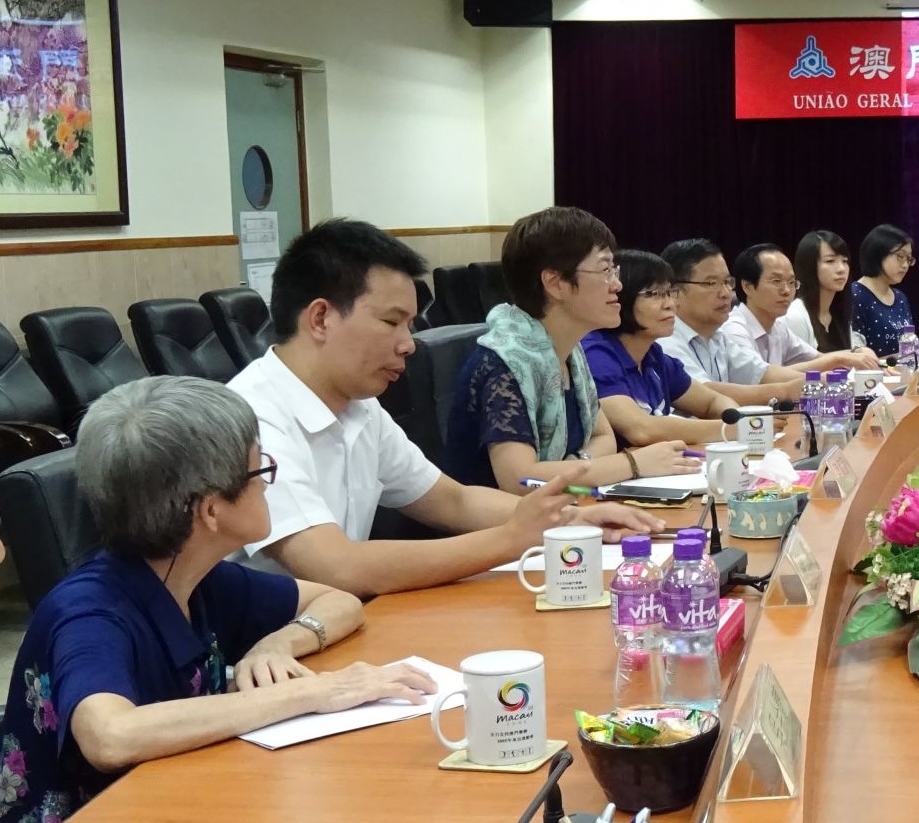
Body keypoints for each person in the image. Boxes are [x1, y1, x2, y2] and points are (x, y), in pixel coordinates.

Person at [0, 377, 439, 822]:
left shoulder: (198, 577)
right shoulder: (88, 612)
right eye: (259, 470)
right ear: (210, 510)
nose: (269, 483)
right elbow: (111, 736)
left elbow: (338, 601)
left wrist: (278, 644)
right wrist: (312, 691)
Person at [230, 219, 664, 597]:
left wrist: (572, 518)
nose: (408, 344)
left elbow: (453, 501)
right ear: (321, 318)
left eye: (410, 324)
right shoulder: (252, 417)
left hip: (339, 621)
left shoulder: (359, 407)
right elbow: (338, 567)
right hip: (265, 647)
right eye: (391, 322)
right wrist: (512, 538)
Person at [441, 207, 702, 489]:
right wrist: (632, 464)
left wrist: (573, 467)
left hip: (568, 503)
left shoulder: (571, 352)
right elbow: (521, 480)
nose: (617, 284)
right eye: (605, 270)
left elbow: (604, 438)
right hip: (506, 515)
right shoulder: (505, 364)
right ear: (556, 283)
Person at [582, 249, 742, 447]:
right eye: (654, 294)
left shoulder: (653, 354)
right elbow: (642, 430)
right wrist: (734, 429)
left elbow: (713, 402)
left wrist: (734, 418)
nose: (670, 305)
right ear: (620, 297)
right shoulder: (596, 353)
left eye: (669, 293)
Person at [658, 239, 804, 404]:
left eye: (727, 282)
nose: (726, 293)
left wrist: (819, 380)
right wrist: (786, 391)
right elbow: (704, 394)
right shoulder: (665, 341)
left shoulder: (717, 336)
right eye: (711, 283)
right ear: (674, 292)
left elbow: (761, 374)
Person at [721, 244, 877, 372]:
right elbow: (762, 377)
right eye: (776, 281)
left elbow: (817, 358)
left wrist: (857, 354)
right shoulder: (735, 330)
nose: (786, 291)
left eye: (791, 283)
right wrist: (840, 359)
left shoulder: (777, 328)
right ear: (748, 287)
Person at [784, 230, 867, 353]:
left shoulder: (839, 313)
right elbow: (798, 363)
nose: (841, 269)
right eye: (830, 261)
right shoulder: (796, 316)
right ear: (810, 266)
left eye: (845, 261)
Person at [851, 224, 917, 355]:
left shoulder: (900, 297)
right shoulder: (855, 295)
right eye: (900, 256)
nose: (905, 265)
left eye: (909, 259)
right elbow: (854, 350)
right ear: (878, 254)